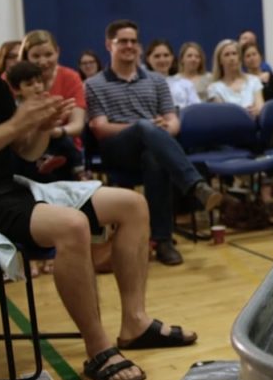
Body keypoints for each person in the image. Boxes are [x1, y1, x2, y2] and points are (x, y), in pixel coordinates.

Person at [0, 0, 197, 380]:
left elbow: (25, 153)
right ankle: (97, 348)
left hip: (11, 192)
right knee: (71, 226)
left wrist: (40, 126)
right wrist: (16, 125)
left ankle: (135, 322)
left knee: (131, 205)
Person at [85, 19, 223, 266]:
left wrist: (163, 128)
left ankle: (163, 241)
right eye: (122, 41)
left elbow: (173, 122)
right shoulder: (94, 84)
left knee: (154, 159)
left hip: (150, 149)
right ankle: (194, 185)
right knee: (143, 126)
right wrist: (145, 127)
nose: (129, 46)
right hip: (117, 150)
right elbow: (100, 128)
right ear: (109, 44)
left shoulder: (156, 81)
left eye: (133, 41)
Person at [19, 30, 87, 179]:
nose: (43, 62)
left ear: (58, 52)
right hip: (28, 143)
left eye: (48, 55)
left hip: (62, 141)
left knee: (63, 142)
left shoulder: (71, 77)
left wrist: (55, 130)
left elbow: (77, 126)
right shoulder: (12, 78)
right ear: (26, 56)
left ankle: (79, 172)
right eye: (36, 56)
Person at [207, 39, 264, 117]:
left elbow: (260, 107)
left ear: (239, 57)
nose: (232, 58)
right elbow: (223, 116)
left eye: (234, 54)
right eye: (227, 55)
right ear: (220, 60)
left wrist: (257, 111)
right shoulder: (214, 88)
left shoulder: (253, 80)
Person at [145, 39, 200, 110]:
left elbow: (196, 110)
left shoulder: (186, 84)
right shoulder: (142, 85)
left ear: (172, 58)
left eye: (166, 55)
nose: (162, 60)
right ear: (148, 59)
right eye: (157, 56)